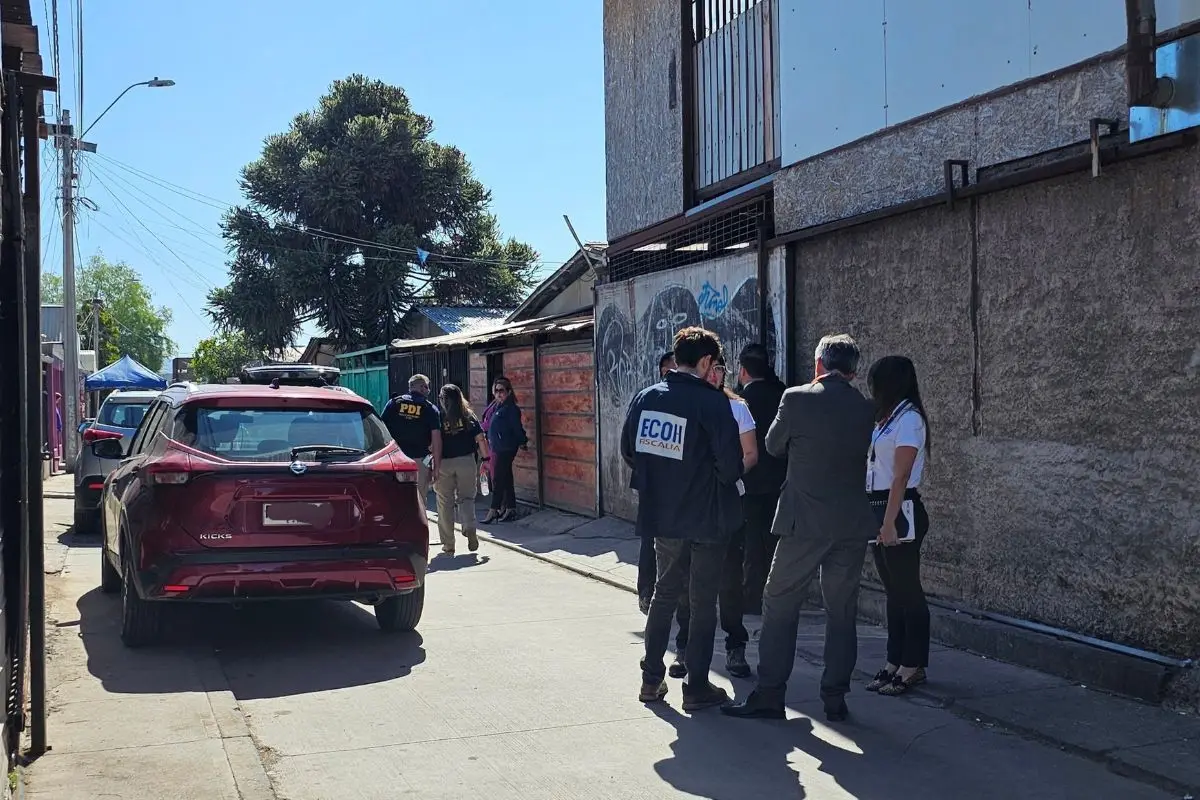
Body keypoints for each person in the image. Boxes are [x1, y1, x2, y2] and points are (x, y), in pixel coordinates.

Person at [722, 334, 876, 724]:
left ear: (819, 363)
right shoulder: (865, 408)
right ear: (854, 371)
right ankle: (835, 696)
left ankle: (771, 693)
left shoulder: (796, 397)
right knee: (842, 610)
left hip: (804, 521)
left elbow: (773, 445)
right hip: (852, 523)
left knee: (779, 602)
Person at [622, 327, 743, 711]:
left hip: (663, 514)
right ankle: (697, 687)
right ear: (706, 362)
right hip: (706, 517)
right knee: (702, 601)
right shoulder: (712, 403)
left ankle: (651, 679)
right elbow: (731, 466)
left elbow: (629, 450)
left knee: (664, 593)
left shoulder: (646, 397)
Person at [863, 356, 932, 697]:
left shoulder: (909, 420)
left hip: (900, 510)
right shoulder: (887, 418)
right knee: (893, 593)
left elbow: (901, 476)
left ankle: (913, 663)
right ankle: (894, 659)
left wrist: (890, 522)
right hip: (878, 507)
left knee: (908, 591)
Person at [735, 343, 787, 614]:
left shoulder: (740, 401)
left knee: (752, 543)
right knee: (776, 542)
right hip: (781, 480)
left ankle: (751, 597)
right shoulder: (783, 393)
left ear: (743, 370)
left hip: (751, 481)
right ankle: (775, 595)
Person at [637, 351, 679, 614]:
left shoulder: (694, 400)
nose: (673, 373)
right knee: (650, 541)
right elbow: (629, 447)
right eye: (668, 369)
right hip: (654, 485)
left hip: (683, 487)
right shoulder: (649, 398)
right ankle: (646, 593)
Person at [435, 383, 489, 556]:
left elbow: (432, 442)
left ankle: (449, 544)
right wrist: (486, 459)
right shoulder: (468, 416)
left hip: (444, 463)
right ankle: (470, 527)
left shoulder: (437, 417)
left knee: (445, 503)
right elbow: (481, 439)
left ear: (443, 399)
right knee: (466, 498)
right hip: (466, 461)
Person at [381, 374, 442, 503]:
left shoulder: (393, 403)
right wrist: (436, 467)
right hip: (421, 461)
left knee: (395, 498)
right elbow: (436, 440)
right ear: (421, 387)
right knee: (419, 499)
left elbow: (381, 430)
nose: (428, 390)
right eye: (427, 387)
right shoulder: (430, 409)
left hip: (395, 460)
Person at [484, 376, 527, 523]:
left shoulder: (511, 409)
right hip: (497, 446)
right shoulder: (497, 407)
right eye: (496, 391)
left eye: (501, 391)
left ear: (508, 392)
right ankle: (510, 508)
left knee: (498, 479)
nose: (498, 394)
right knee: (507, 478)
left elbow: (517, 428)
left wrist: (522, 441)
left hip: (506, 447)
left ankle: (493, 510)